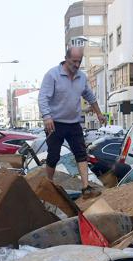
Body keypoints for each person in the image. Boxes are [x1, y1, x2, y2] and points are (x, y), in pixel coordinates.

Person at [39, 46, 107, 198]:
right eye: (74, 61)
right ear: (66, 58)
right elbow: (43, 97)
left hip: (74, 122)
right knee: (53, 156)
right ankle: (48, 184)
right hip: (55, 123)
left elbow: (90, 97)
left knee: (81, 153)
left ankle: (86, 187)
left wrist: (99, 114)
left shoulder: (81, 77)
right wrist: (47, 116)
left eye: (79, 61)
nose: (76, 65)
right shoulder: (52, 75)